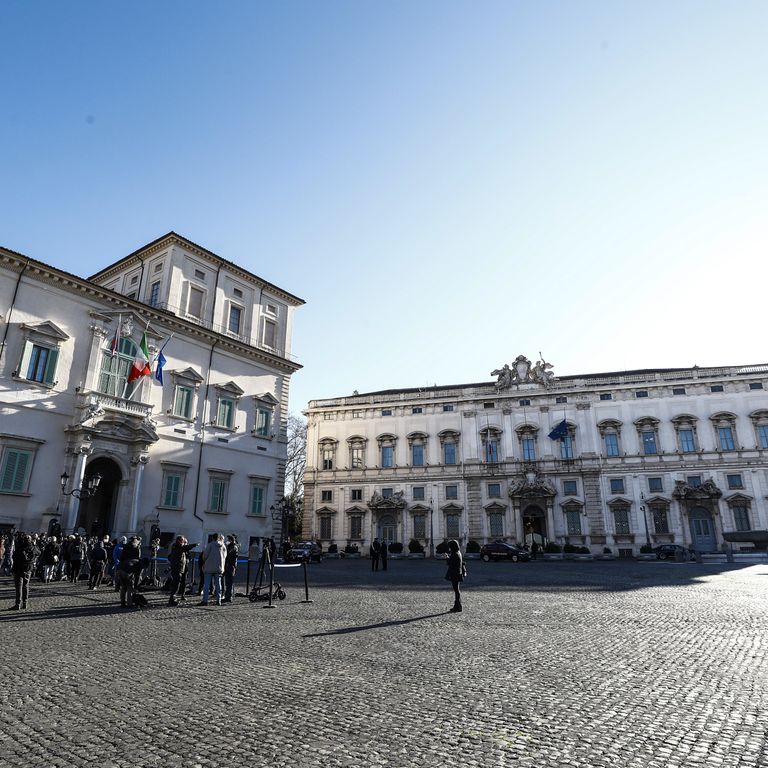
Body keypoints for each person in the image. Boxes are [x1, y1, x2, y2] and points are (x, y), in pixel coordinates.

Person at [10, 532, 39, 610]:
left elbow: (14, 557)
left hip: (19, 568)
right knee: (26, 586)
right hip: (28, 568)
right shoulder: (33, 547)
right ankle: (25, 603)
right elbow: (38, 553)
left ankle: (18, 604)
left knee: (19, 586)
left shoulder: (21, 547)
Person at [167, 536, 197, 606]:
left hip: (179, 568)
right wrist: (193, 545)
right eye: (183, 542)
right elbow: (185, 548)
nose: (184, 543)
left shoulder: (176, 547)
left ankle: (174, 598)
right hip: (178, 568)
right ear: (180, 541)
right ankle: (172, 599)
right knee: (176, 584)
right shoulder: (178, 547)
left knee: (177, 583)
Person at [199, 533, 227, 606]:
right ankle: (219, 600)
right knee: (218, 584)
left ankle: (205, 600)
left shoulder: (210, 545)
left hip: (209, 567)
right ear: (218, 538)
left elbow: (205, 555)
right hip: (219, 567)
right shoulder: (223, 546)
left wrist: (204, 562)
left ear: (212, 538)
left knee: (207, 584)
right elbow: (225, 556)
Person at [445, 539, 465, 613]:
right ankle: (457, 606)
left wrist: (447, 558)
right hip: (457, 573)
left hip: (455, 574)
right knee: (457, 590)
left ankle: (458, 606)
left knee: (456, 590)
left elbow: (451, 563)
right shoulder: (458, 552)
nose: (449, 548)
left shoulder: (455, 554)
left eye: (450, 547)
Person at [223, 535, 239, 603]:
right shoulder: (233, 546)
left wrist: (225, 546)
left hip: (230, 566)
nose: (227, 541)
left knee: (229, 582)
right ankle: (228, 596)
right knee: (228, 582)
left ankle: (228, 597)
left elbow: (227, 554)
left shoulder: (233, 547)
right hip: (230, 566)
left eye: (228, 540)